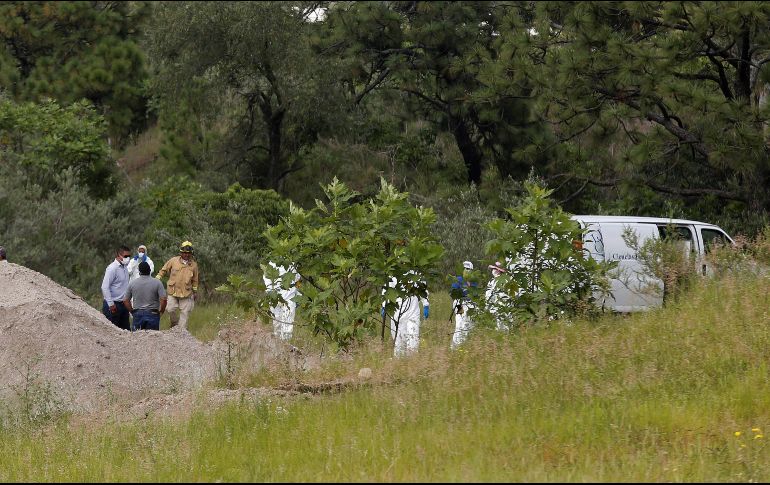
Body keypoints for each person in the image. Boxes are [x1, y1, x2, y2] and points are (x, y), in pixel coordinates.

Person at [155, 241, 199, 331]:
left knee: (185, 312)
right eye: (184, 253)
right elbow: (163, 270)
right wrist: (156, 280)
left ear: (191, 254)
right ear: (181, 252)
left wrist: (195, 292)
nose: (186, 255)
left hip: (186, 293)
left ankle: (181, 332)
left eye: (188, 253)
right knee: (170, 309)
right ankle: (174, 323)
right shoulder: (173, 260)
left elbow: (195, 280)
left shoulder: (194, 265)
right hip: (173, 291)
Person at [383, 273, 429, 357]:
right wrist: (384, 305)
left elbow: (423, 288)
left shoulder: (416, 271)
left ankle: (412, 362)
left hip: (413, 310)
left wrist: (425, 304)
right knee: (399, 339)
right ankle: (399, 363)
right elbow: (386, 290)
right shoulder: (393, 272)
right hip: (398, 310)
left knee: (413, 336)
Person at [124, 261, 167, 331]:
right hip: (153, 314)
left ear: (139, 271)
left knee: (137, 338)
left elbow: (125, 300)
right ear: (150, 270)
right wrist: (161, 311)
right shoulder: (157, 283)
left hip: (138, 313)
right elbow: (164, 299)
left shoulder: (132, 283)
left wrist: (132, 311)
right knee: (152, 338)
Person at [263, 261, 301, 341]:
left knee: (288, 323)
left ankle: (286, 347)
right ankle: (278, 345)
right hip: (275, 298)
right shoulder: (271, 264)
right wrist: (271, 293)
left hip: (289, 298)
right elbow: (267, 280)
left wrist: (297, 293)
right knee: (277, 323)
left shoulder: (292, 264)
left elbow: (297, 280)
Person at [101, 245, 132, 330]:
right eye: (126, 256)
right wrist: (111, 304)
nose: (128, 258)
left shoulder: (125, 268)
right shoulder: (112, 268)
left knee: (126, 331)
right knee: (112, 332)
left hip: (124, 304)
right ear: (119, 255)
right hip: (114, 305)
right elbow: (104, 287)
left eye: (129, 256)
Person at [451, 260, 478, 349]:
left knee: (468, 324)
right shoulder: (458, 279)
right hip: (460, 304)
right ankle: (455, 346)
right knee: (460, 323)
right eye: (465, 269)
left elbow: (475, 294)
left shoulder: (474, 282)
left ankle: (465, 345)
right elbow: (453, 293)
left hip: (470, 305)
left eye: (468, 269)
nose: (466, 270)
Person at [485, 261, 510, 332]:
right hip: (501, 303)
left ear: (498, 271)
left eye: (494, 269)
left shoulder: (496, 281)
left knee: (502, 321)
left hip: (500, 302)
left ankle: (504, 335)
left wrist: (488, 305)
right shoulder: (505, 279)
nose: (493, 271)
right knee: (502, 321)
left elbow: (489, 295)